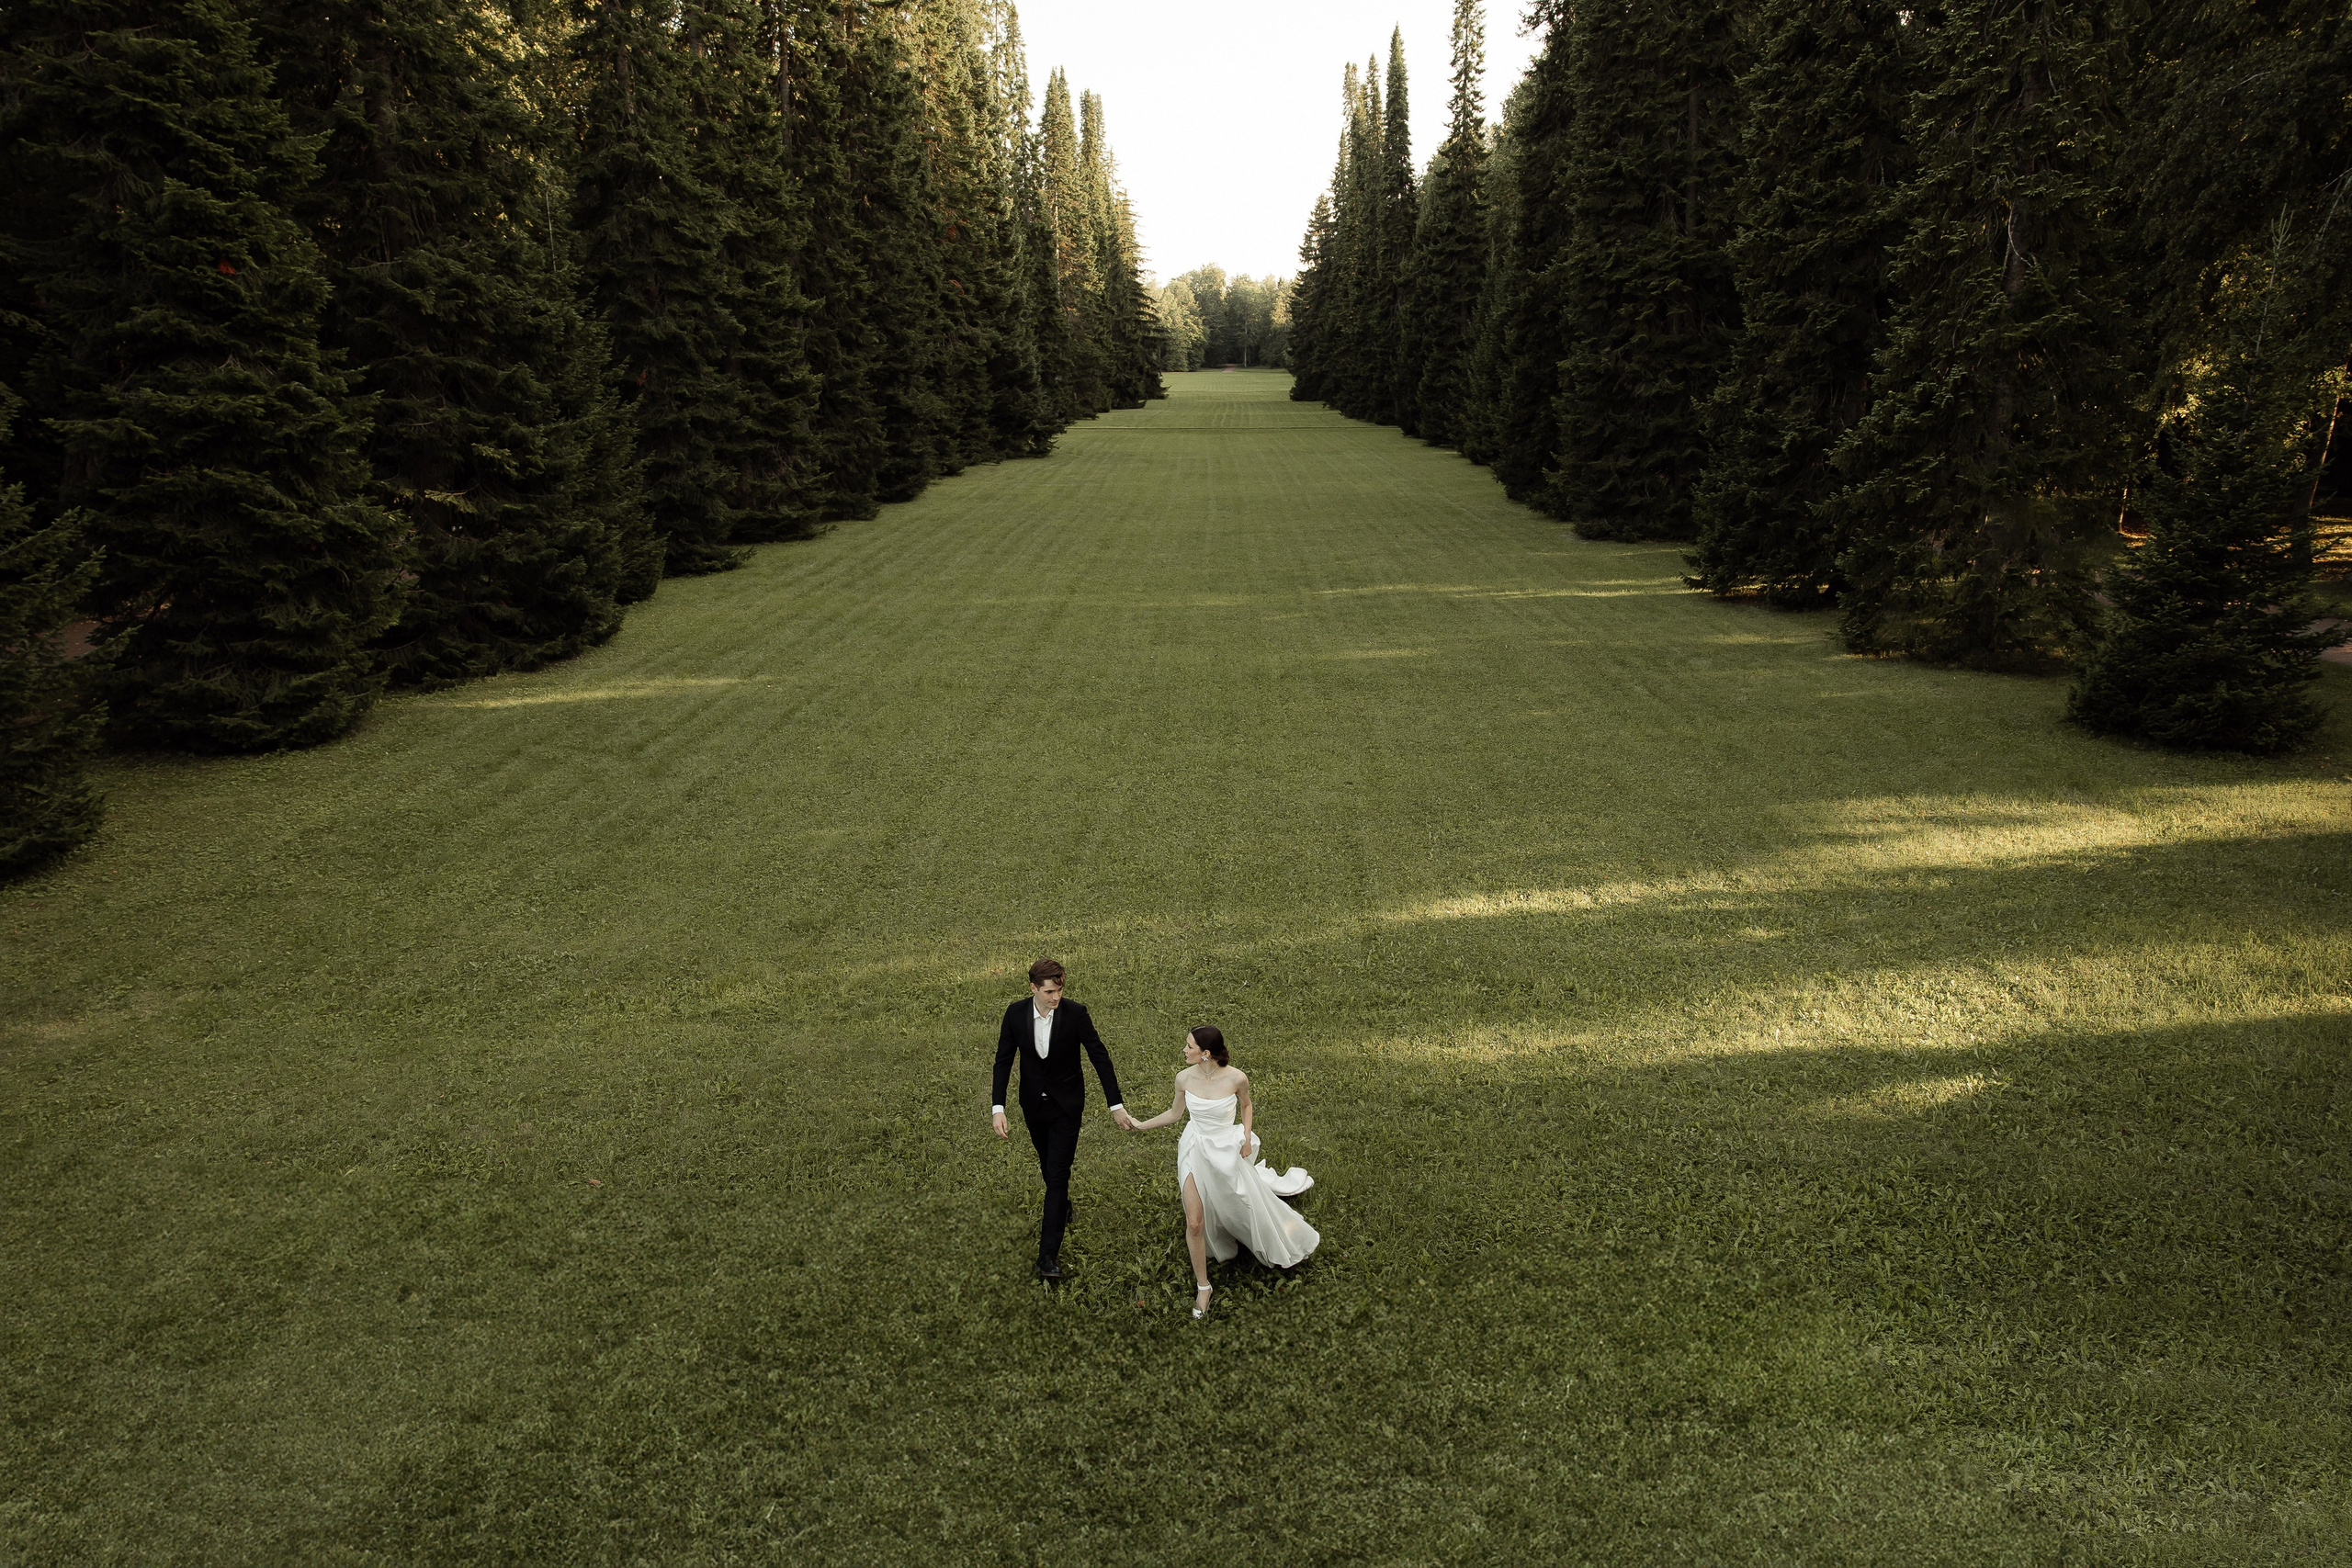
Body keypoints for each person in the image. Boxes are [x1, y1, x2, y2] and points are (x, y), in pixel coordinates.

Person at [1125, 1024, 1317, 1318]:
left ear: (1206, 1054)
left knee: (1240, 1202)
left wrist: (1248, 1137)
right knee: (1195, 1223)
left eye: (1189, 1047)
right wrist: (1139, 1124)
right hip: (1194, 1148)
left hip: (1226, 1150)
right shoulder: (1183, 1078)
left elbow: (1247, 1105)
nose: (1184, 1050)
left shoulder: (1236, 1078)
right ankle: (1204, 1287)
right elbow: (1175, 1115)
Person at [991, 958, 1132, 1282]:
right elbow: (1003, 1061)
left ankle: (1047, 1257)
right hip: (1032, 1106)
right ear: (1033, 989)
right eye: (1050, 991)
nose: (1056, 997)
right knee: (1047, 1165)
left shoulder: (1075, 1013)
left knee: (1056, 1175)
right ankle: (1062, 1204)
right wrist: (998, 1107)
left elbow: (1099, 1056)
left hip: (1067, 1106)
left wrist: (1115, 1104)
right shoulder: (1015, 1014)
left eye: (1060, 990)